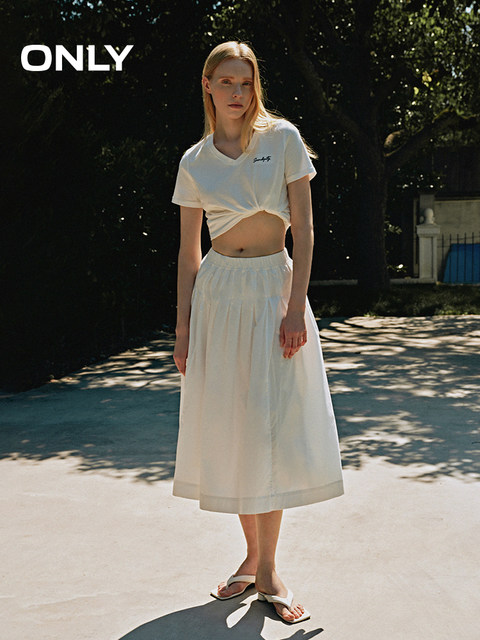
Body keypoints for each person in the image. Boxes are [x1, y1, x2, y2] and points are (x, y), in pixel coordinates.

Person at [171, 41, 344, 624]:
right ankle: (254, 559)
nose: (238, 93)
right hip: (219, 296)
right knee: (238, 428)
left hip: (274, 290)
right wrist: (183, 328)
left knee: (272, 427)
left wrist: (295, 308)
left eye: (246, 82)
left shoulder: (283, 139)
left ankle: (268, 572)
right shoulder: (194, 161)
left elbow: (306, 230)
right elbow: (188, 253)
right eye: (227, 81)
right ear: (207, 85)